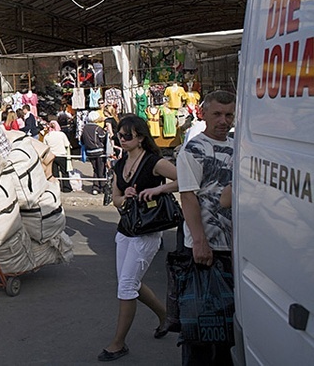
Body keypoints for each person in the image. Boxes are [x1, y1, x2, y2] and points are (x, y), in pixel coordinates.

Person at [98, 115, 179, 362]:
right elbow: (116, 199)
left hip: (148, 231)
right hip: (125, 230)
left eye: (127, 136)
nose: (122, 140)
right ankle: (166, 316)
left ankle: (118, 343)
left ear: (141, 137)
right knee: (128, 282)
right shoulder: (120, 165)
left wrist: (158, 189)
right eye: (119, 136)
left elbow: (184, 179)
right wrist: (128, 196)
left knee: (126, 287)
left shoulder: (154, 162)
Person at [176, 90, 235, 365]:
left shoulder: (239, 146)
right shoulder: (194, 149)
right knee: (200, 324)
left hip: (233, 246)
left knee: (227, 326)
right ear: (203, 114)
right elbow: (188, 195)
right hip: (205, 249)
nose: (224, 121)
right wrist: (200, 242)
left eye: (229, 115)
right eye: (217, 114)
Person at [82, 111, 108, 195]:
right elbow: (103, 138)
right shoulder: (97, 128)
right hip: (99, 151)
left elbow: (82, 139)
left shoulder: (84, 128)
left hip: (89, 151)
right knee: (101, 170)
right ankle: (102, 186)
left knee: (95, 169)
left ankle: (95, 187)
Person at [44, 120, 71, 192]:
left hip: (52, 156)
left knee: (55, 173)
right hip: (61, 155)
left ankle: (56, 188)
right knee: (64, 172)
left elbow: (45, 146)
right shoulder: (61, 134)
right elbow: (67, 144)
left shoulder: (47, 136)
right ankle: (66, 188)